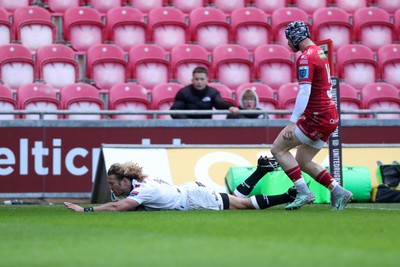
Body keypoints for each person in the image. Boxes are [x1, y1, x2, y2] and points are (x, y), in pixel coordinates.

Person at [270, 21, 353, 211]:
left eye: (289, 40)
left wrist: (292, 123)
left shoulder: (306, 58)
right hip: (330, 117)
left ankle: (303, 192)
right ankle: (338, 191)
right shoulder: (320, 52)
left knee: (278, 149)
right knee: (303, 160)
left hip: (317, 117)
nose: (288, 44)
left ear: (296, 38)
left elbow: (304, 92)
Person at [64, 156, 298, 212]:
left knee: (242, 204)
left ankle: (287, 196)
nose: (111, 188)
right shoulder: (138, 183)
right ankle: (261, 170)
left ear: (126, 180)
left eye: (113, 183)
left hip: (193, 198)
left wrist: (85, 209)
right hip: (188, 191)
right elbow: (119, 201)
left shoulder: (143, 189)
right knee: (232, 198)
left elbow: (117, 207)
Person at [170, 66, 240, 119]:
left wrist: (230, 107)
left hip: (206, 128)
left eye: (202, 79)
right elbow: (174, 111)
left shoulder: (213, 92)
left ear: (207, 80)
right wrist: (188, 121)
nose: (199, 82)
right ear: (192, 80)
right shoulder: (183, 93)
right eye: (197, 79)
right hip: (187, 128)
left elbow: (219, 103)